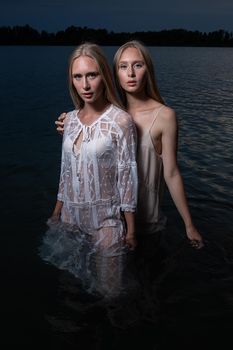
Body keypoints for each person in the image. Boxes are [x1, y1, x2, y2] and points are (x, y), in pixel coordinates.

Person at [55, 40, 204, 252]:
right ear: (114, 73)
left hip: (146, 221)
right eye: (123, 66)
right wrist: (67, 126)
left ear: (148, 70)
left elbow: (171, 173)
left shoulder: (165, 116)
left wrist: (189, 225)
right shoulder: (111, 115)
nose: (131, 73)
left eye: (138, 65)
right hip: (111, 219)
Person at [39, 43, 138, 300]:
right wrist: (56, 211)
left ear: (104, 75)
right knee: (71, 287)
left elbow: (127, 175)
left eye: (91, 75)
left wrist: (131, 229)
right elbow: (66, 170)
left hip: (105, 220)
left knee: (110, 294)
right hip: (70, 216)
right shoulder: (69, 120)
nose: (85, 85)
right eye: (78, 76)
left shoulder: (121, 121)